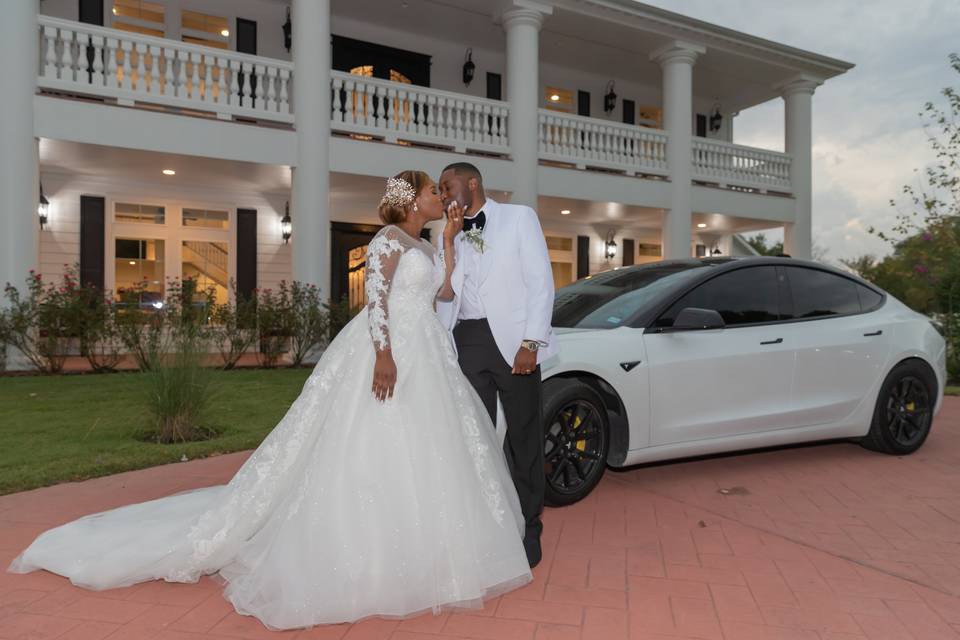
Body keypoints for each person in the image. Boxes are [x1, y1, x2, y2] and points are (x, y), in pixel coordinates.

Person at [8, 170, 532, 631]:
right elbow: (376, 299)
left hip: (430, 355)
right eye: (430, 192)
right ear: (411, 200)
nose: (440, 198)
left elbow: (443, 296)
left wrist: (451, 245)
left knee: (432, 451)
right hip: (392, 349)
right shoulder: (387, 240)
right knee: (369, 443)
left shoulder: (427, 243)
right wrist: (383, 355)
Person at [436, 162, 556, 568]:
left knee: (523, 435)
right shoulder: (447, 233)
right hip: (466, 340)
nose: (442, 194)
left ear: (472, 183)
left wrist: (531, 341)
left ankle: (529, 527)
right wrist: (450, 243)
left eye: (446, 186)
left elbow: (541, 282)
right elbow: (445, 295)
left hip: (513, 343)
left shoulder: (520, 217)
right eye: (437, 189)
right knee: (477, 438)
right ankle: (486, 526)